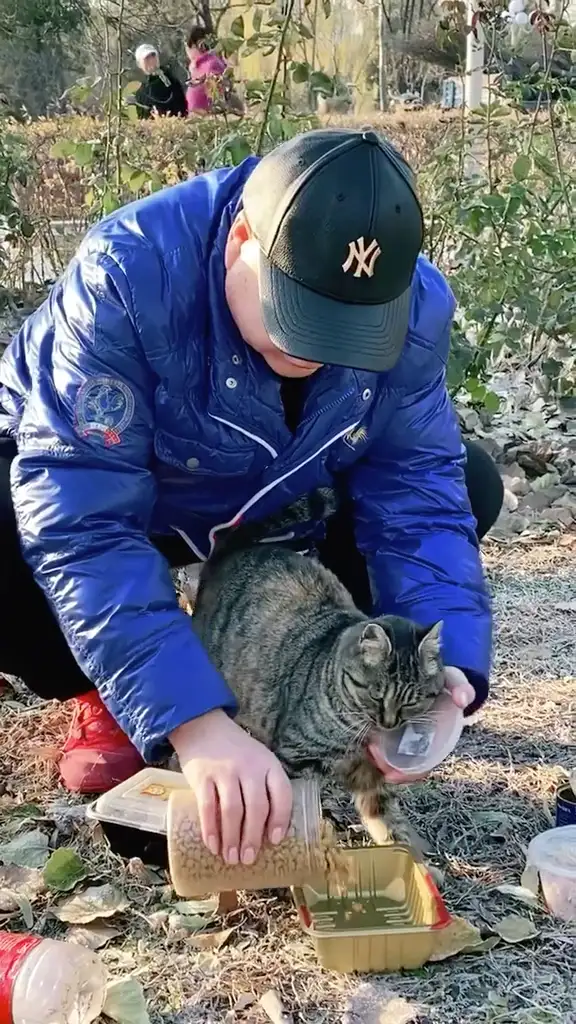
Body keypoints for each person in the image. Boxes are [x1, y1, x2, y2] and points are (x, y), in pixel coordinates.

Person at [0, 128, 502, 868]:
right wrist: (192, 721)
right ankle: (116, 691)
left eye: (351, 330)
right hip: (133, 488)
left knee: (473, 480)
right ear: (242, 237)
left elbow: (418, 496)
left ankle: (286, 683)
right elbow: (84, 525)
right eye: (298, 315)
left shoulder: (413, 308)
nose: (321, 351)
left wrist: (446, 663)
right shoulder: (126, 277)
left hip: (274, 499)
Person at [185, 26, 243, 115]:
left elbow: (221, 92)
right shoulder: (201, 63)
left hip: (208, 114)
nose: (187, 52)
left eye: (188, 47)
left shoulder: (208, 64)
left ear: (198, 45)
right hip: (201, 113)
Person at [133, 44, 187, 120]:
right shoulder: (141, 90)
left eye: (153, 56)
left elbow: (181, 107)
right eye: (147, 58)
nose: (151, 60)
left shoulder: (171, 80)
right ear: (139, 64)